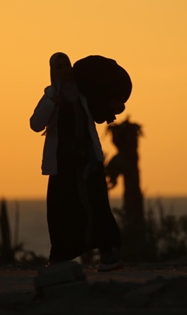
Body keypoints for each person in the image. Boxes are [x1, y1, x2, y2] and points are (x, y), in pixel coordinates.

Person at [30, 53, 123, 271]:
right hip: (63, 165)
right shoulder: (51, 95)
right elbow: (35, 124)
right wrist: (52, 104)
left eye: (67, 65)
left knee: (98, 205)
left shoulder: (84, 93)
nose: (65, 70)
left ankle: (106, 255)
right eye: (60, 67)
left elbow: (102, 113)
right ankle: (59, 259)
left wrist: (115, 106)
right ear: (54, 71)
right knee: (62, 209)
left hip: (89, 160)